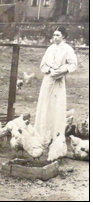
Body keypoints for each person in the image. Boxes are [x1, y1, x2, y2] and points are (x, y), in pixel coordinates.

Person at [34, 26, 77, 155]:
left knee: (56, 107)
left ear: (64, 36)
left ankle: (56, 137)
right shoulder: (50, 48)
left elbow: (73, 64)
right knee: (45, 106)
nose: (55, 38)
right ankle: (42, 136)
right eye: (54, 35)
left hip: (59, 81)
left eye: (58, 35)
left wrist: (61, 70)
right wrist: (48, 70)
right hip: (47, 80)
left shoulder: (67, 49)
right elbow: (42, 64)